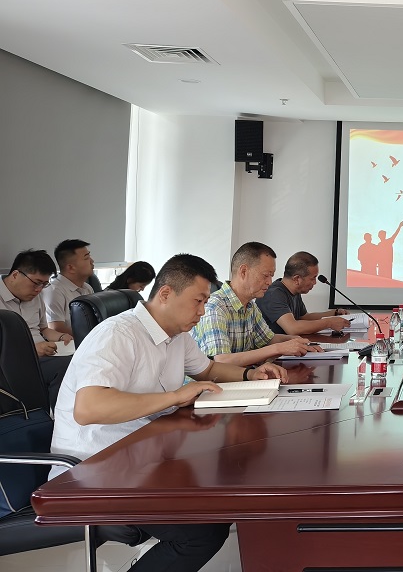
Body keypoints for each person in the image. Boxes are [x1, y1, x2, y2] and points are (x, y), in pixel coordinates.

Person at [49, 253, 286, 572]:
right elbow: (89, 408)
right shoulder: (118, 334)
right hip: (95, 468)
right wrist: (174, 396)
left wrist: (250, 375)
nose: (202, 311)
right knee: (201, 533)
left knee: (223, 497)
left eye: (206, 302)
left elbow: (208, 369)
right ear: (165, 294)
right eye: (198, 301)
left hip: (142, 456)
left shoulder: (177, 335)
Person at [191, 241, 318, 366]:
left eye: (271, 276)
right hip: (218, 380)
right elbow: (222, 361)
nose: (269, 282)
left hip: (244, 375)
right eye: (266, 275)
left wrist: (296, 341)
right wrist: (278, 348)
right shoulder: (215, 308)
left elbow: (269, 339)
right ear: (243, 271)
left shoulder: (251, 306)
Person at [0, 249, 73, 408]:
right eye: (36, 283)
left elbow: (44, 329)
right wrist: (31, 351)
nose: (39, 290)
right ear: (15, 275)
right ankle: (56, 417)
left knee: (80, 359)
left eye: (44, 284)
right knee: (65, 367)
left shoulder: (36, 297)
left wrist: (61, 337)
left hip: (42, 356)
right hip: (10, 364)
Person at [255, 251, 351, 336]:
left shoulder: (294, 291)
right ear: (297, 279)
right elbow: (292, 328)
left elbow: (304, 317)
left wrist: (334, 313)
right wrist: (328, 323)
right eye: (313, 278)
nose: (315, 282)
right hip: (274, 349)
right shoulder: (273, 294)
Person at [41, 238, 95, 336]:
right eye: (86, 258)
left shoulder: (87, 288)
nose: (92, 261)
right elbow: (56, 328)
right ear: (71, 267)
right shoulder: (54, 291)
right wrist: (92, 335)